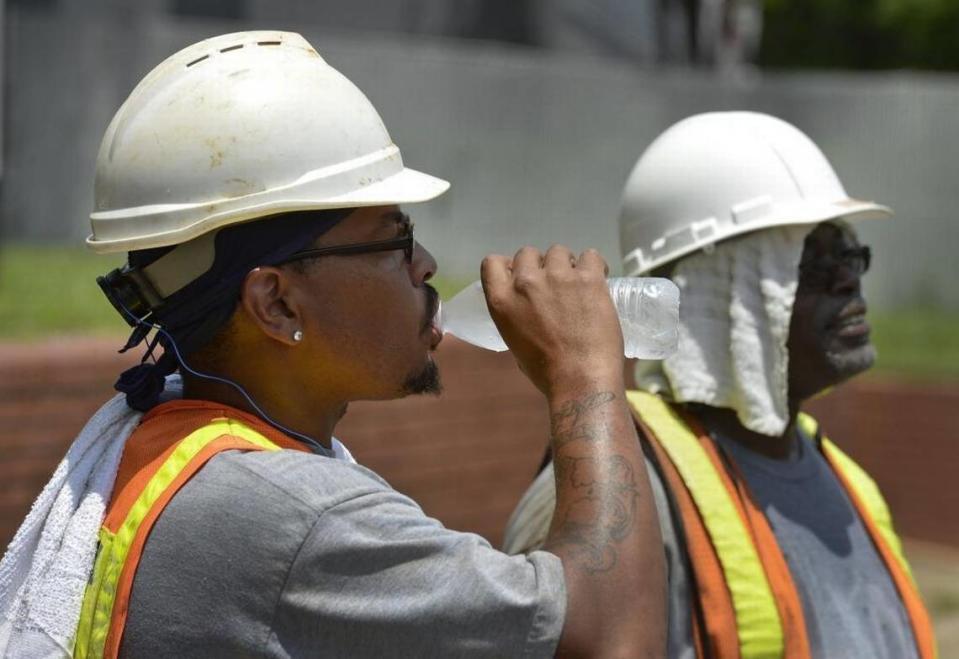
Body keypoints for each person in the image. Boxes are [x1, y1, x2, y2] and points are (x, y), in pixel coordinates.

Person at [0, 31, 666, 658]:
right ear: (277, 302)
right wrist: (585, 371)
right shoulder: (297, 518)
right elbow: (610, 633)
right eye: (395, 239)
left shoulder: (161, 444)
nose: (427, 263)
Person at [503, 112, 937, 658]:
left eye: (850, 254)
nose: (849, 278)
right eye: (812, 259)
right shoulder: (614, 491)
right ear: (716, 294)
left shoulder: (854, 486)